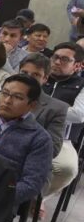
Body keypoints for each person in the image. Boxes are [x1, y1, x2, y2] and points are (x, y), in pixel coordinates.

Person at [15, 55, 77, 197]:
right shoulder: (0, 95)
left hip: (26, 165)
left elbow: (53, 148)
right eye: (24, 72)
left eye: (36, 75)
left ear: (45, 79)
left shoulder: (57, 108)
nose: (28, 78)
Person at [0, 74, 52, 206]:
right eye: (5, 93)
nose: (7, 101)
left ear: (32, 105)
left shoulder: (39, 138)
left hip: (0, 199)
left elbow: (31, 184)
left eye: (17, 97)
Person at [44, 42, 84, 124]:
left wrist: (41, 108)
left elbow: (78, 115)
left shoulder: (81, 85)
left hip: (61, 131)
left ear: (77, 65)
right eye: (55, 57)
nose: (57, 62)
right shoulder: (41, 77)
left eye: (65, 59)